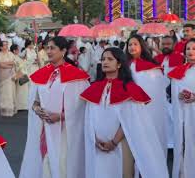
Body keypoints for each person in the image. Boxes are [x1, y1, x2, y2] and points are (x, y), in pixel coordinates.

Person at [81, 47, 169, 178]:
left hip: (121, 142)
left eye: (110, 59)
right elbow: (89, 117)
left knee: (124, 173)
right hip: (98, 144)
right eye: (103, 59)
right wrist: (94, 138)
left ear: (119, 63)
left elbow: (130, 119)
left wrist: (114, 142)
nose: (105, 62)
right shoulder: (94, 88)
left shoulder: (129, 88)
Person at [19, 36, 90, 178]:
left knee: (62, 164)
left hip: (66, 130)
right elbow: (35, 101)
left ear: (63, 51)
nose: (49, 51)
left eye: (53, 48)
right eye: (47, 48)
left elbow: (82, 108)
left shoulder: (76, 76)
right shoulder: (42, 73)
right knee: (45, 162)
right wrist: (37, 109)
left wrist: (61, 116)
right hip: (45, 128)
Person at [126, 35, 169, 161]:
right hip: (128, 108)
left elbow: (156, 93)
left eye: (135, 44)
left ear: (141, 46)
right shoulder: (123, 65)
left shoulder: (151, 67)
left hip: (147, 110)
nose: (132, 47)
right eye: (130, 45)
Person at [169, 38, 195, 178]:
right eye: (188, 49)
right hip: (185, 114)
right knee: (186, 143)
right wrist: (180, 95)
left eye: (194, 49)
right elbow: (175, 91)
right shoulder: (179, 71)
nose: (190, 51)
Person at [0, 41, 16, 117]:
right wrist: (9, 65)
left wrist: (6, 63)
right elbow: (0, 64)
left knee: (11, 92)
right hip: (3, 76)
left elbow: (13, 62)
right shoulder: (0, 54)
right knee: (4, 92)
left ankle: (11, 109)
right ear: (1, 47)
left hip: (11, 75)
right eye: (4, 45)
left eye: (7, 44)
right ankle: (5, 109)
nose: (6, 46)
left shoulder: (11, 54)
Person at [11, 44, 28, 111]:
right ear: (14, 50)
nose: (19, 50)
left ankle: (22, 105)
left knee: (22, 91)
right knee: (18, 91)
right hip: (18, 74)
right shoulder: (13, 57)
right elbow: (16, 66)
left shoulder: (17, 56)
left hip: (22, 73)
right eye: (18, 49)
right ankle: (18, 105)